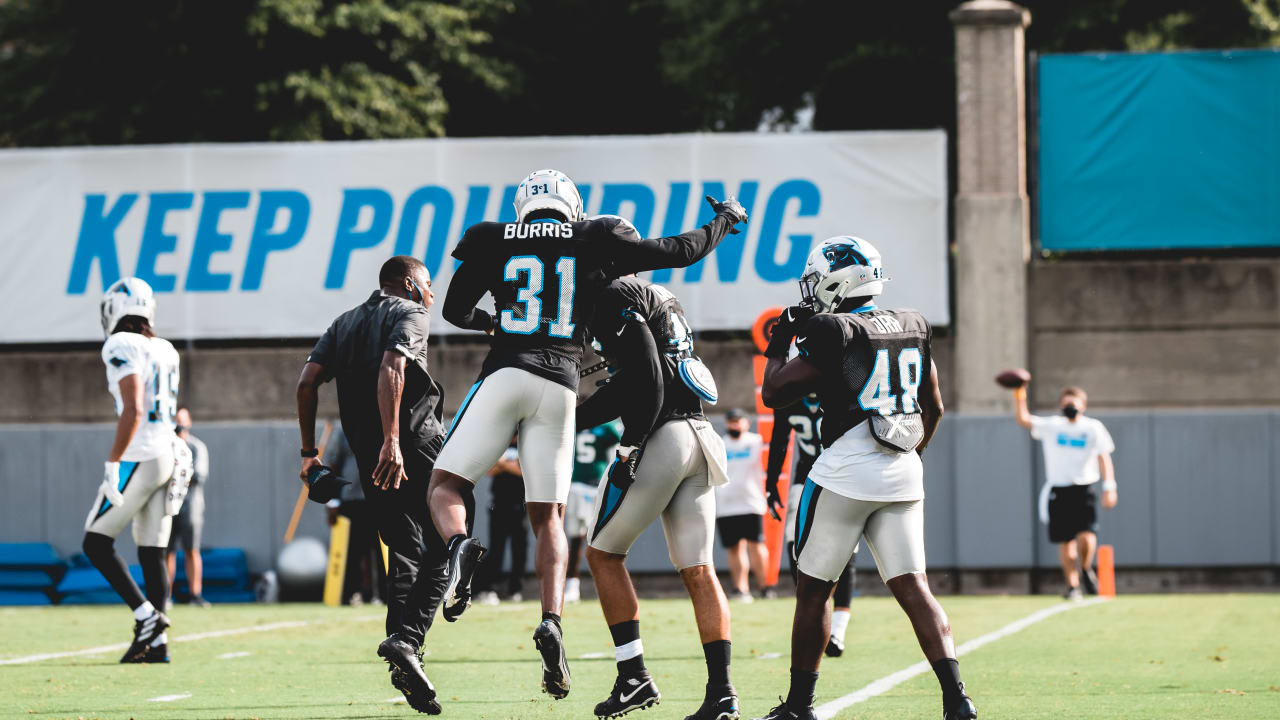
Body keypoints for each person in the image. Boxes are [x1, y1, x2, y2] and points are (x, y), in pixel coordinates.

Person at [427, 168, 747, 700]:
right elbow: (676, 249)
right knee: (557, 518)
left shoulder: (496, 238)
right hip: (620, 404)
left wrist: (628, 443)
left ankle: (631, 671)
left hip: (577, 397)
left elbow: (457, 308)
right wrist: (722, 222)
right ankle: (713, 687)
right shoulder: (615, 256)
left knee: (451, 485)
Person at [758, 236, 976, 720]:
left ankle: (799, 706)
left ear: (837, 279)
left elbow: (774, 393)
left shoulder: (831, 327)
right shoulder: (912, 323)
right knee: (914, 586)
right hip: (903, 471)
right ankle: (957, 698)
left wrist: (778, 338)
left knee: (814, 590)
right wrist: (912, 455)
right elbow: (933, 406)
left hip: (845, 472)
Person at [577, 273, 738, 720]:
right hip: (701, 433)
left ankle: (633, 677)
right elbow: (648, 373)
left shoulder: (614, 295)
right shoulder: (660, 295)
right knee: (700, 570)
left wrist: (625, 442)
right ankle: (723, 693)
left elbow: (646, 381)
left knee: (603, 554)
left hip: (662, 437)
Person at [296, 255, 452, 714]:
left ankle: (404, 657)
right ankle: (408, 640)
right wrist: (393, 440)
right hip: (413, 447)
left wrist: (309, 454)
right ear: (408, 283)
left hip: (371, 458)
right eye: (427, 284)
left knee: (404, 550)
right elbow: (392, 367)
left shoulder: (343, 322)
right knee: (450, 538)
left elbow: (307, 383)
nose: (431, 293)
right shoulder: (411, 312)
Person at [82, 277, 192, 664]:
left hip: (141, 454)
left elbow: (134, 408)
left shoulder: (119, 344)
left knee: (95, 542)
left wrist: (114, 460)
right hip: (169, 454)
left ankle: (146, 617)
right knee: (152, 551)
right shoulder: (164, 348)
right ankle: (158, 645)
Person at [766, 390, 856, 657]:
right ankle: (811, 613)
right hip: (805, 476)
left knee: (848, 551)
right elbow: (780, 439)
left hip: (842, 474)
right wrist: (772, 484)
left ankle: (838, 630)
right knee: (796, 547)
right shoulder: (790, 396)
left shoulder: (841, 389)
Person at [1012, 384, 1117, 599]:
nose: (1069, 407)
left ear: (1083, 405)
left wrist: (1109, 486)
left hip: (1084, 488)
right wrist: (1019, 392)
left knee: (1087, 538)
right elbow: (1024, 419)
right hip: (1059, 491)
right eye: (1066, 403)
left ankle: (1086, 568)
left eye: (1073, 403)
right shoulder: (1053, 426)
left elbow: (1104, 457)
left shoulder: (1093, 428)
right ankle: (1072, 585)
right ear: (1061, 405)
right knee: (1066, 542)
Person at [715, 409, 774, 601]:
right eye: (731, 422)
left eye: (738, 421)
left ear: (746, 423)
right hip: (725, 504)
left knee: (756, 545)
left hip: (751, 502)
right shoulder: (720, 444)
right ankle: (741, 588)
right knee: (734, 548)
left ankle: (765, 587)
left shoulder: (756, 442)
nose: (735, 425)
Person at [325, 424, 385, 606]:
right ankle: (351, 593)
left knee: (383, 550)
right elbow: (333, 465)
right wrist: (332, 501)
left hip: (380, 498)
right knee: (352, 551)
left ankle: (384, 594)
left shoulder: (385, 424)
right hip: (352, 499)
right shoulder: (343, 429)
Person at [565, 419, 622, 604]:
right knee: (592, 538)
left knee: (579, 538)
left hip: (583, 486)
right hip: (593, 485)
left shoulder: (573, 423)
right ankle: (574, 585)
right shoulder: (604, 427)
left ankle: (572, 586)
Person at [165, 406, 211, 607]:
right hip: (168, 505)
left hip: (190, 506)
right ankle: (165, 595)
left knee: (192, 549)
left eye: (181, 421)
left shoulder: (196, 447)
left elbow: (197, 476)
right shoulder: (165, 447)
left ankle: (195, 594)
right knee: (167, 551)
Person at [475, 440, 530, 603]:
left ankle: (515, 589)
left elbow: (523, 471)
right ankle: (489, 588)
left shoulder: (525, 446)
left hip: (520, 504)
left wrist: (502, 464)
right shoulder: (499, 445)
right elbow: (490, 471)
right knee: (496, 547)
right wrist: (509, 465)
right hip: (499, 503)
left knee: (519, 549)